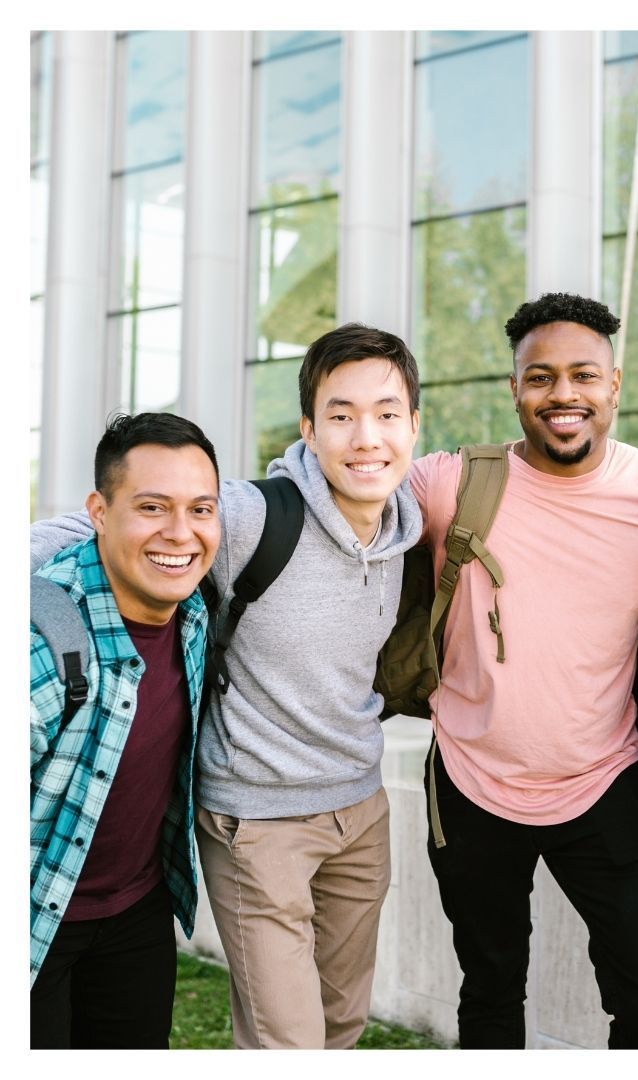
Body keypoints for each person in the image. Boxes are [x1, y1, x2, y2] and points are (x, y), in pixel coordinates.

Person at [29, 323, 422, 1049]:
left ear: (413, 424)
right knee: (287, 1044)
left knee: (340, 1027)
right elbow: (99, 528)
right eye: (341, 415)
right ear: (309, 428)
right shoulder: (249, 515)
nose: (367, 437)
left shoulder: (410, 523)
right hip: (258, 819)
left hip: (359, 810)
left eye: (387, 414)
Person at [407, 292, 638, 1048]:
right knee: (491, 990)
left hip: (606, 779)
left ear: (615, 385)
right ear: (515, 390)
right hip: (470, 782)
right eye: (540, 377)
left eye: (583, 376)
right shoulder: (451, 484)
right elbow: (331, 496)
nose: (563, 395)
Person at [31, 412, 221, 1049]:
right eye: (151, 506)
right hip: (32, 921)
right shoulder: (39, 642)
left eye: (201, 509)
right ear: (99, 511)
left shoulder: (195, 610)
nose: (180, 533)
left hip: (135, 912)